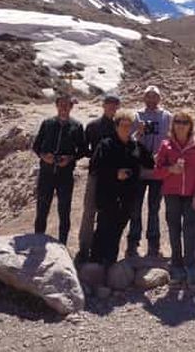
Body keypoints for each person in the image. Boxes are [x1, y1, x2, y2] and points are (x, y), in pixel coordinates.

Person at [90, 110, 155, 266]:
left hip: (128, 196)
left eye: (129, 126)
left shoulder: (135, 146)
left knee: (118, 229)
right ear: (116, 126)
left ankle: (110, 264)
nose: (126, 128)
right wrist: (115, 174)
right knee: (103, 228)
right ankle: (95, 264)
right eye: (123, 125)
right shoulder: (106, 144)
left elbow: (150, 163)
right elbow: (95, 167)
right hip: (108, 195)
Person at [153, 111, 195, 286]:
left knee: (191, 230)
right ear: (173, 124)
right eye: (177, 121)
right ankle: (177, 264)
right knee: (173, 229)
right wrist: (170, 170)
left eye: (185, 122)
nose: (181, 125)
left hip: (192, 194)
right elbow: (157, 171)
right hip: (172, 193)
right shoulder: (166, 145)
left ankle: (191, 265)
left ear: (190, 125)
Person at [32, 92, 87, 246]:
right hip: (46, 173)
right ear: (56, 106)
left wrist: (69, 159)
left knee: (64, 211)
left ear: (71, 107)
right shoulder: (47, 123)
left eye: (67, 105)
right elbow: (36, 146)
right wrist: (44, 156)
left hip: (65, 174)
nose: (64, 107)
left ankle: (62, 244)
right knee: (42, 209)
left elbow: (82, 150)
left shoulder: (76, 126)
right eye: (61, 104)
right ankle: (37, 241)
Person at [75, 93, 121, 265]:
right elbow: (84, 149)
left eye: (114, 104)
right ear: (103, 105)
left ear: (118, 106)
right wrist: (96, 157)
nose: (111, 107)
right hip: (96, 174)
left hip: (114, 177)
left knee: (108, 214)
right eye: (109, 103)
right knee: (89, 212)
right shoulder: (93, 126)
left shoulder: (121, 126)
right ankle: (84, 249)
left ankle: (101, 250)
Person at [127, 86, 172, 258]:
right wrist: (137, 134)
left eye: (155, 97)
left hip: (158, 170)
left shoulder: (167, 116)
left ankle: (154, 245)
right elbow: (129, 139)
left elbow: (172, 139)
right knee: (135, 207)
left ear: (159, 98)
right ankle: (133, 243)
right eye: (148, 96)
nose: (152, 100)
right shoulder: (136, 116)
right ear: (144, 98)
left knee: (154, 208)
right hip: (139, 169)